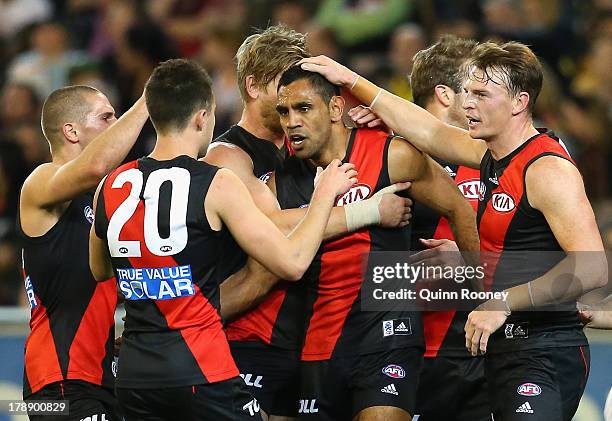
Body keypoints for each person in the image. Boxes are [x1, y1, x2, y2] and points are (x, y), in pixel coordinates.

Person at [301, 42, 608, 420]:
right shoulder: (490, 155)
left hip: (542, 350)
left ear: (519, 102)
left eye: (481, 94)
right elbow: (430, 131)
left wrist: (504, 301)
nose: (467, 104)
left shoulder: (547, 169)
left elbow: (592, 267)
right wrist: (350, 80)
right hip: (505, 348)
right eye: (466, 92)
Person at [89, 58, 357, 421]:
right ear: (203, 117)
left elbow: (100, 270)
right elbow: (292, 263)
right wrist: (325, 193)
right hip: (200, 366)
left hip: (135, 373)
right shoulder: (216, 182)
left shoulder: (110, 185)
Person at [204, 25, 411, 420]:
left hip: (311, 336)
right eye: (284, 87)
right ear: (252, 85)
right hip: (251, 337)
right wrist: (367, 210)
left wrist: (370, 125)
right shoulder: (228, 157)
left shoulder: (307, 147)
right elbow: (272, 230)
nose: (293, 97)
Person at [273, 66, 479, 421]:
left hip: (388, 336)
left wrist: (482, 285)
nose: (292, 122)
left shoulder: (391, 155)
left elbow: (459, 208)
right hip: (318, 343)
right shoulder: (282, 181)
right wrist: (366, 212)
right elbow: (269, 234)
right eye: (284, 111)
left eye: (304, 108)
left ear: (336, 110)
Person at [18, 84, 148, 421]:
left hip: (99, 373)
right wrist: (151, 99)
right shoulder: (40, 181)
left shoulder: (97, 199)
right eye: (106, 117)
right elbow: (95, 166)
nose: (116, 124)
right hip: (59, 380)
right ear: (71, 131)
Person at [404, 36, 491, 421]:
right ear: (444, 94)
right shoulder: (395, 158)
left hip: (490, 346)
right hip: (415, 353)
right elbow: (359, 270)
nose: (484, 97)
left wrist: (469, 264)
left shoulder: (498, 155)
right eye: (474, 87)